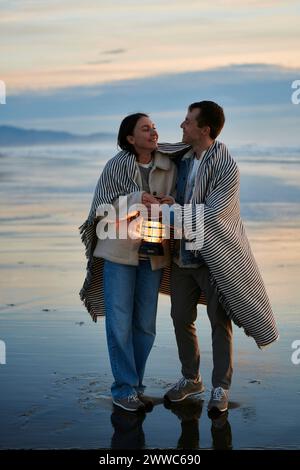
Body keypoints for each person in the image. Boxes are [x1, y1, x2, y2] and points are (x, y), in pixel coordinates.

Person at [162, 101, 279, 414]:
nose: (181, 126)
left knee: (219, 323)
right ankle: (191, 379)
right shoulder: (181, 159)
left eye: (187, 122)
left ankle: (220, 387)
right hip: (182, 255)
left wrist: (168, 212)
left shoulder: (226, 166)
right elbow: (161, 173)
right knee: (180, 319)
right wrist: (170, 202)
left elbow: (214, 216)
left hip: (214, 257)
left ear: (205, 129)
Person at [79, 113, 176, 412]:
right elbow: (102, 209)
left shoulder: (169, 165)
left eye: (154, 127)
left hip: (153, 250)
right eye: (145, 129)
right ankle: (123, 389)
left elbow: (178, 198)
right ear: (131, 138)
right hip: (119, 252)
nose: (153, 132)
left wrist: (170, 204)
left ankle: (137, 386)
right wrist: (138, 199)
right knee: (119, 323)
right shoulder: (115, 165)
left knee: (145, 325)